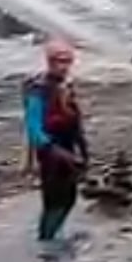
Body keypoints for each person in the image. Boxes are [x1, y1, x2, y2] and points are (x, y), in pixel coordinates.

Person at [23, 39, 88, 242]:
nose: (65, 66)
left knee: (69, 198)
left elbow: (76, 121)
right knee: (53, 201)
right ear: (50, 61)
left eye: (68, 61)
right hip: (50, 151)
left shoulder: (67, 86)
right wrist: (53, 150)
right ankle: (46, 240)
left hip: (68, 144)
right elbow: (33, 126)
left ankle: (54, 234)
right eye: (60, 61)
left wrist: (83, 150)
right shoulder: (38, 89)